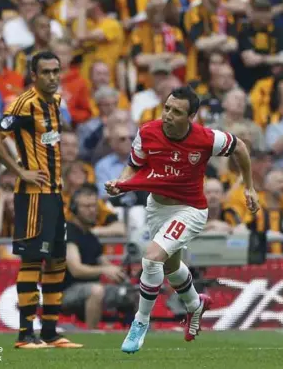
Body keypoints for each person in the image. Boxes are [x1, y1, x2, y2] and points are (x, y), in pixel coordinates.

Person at [105, 86, 259, 353]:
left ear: (191, 117)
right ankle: (195, 304)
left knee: (152, 257)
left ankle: (140, 322)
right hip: (157, 207)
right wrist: (122, 181)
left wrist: (249, 186)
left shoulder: (206, 138)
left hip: (190, 210)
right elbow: (134, 165)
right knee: (169, 268)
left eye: (176, 112)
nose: (168, 115)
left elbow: (240, 147)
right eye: (167, 108)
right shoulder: (147, 132)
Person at [0, 51, 82, 349]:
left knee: (56, 262)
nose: (53, 77)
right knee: (32, 260)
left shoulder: (55, 103)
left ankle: (50, 333)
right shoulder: (24, 104)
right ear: (34, 75)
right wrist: (20, 171)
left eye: (56, 71)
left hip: (54, 194)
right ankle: (26, 333)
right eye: (47, 72)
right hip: (33, 196)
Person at [64, 184, 133, 329]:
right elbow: (76, 269)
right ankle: (91, 337)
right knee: (96, 290)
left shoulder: (90, 236)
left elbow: (104, 263)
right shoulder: (69, 232)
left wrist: (119, 272)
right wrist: (104, 270)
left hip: (91, 287)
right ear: (75, 209)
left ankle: (134, 334)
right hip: (64, 292)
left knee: (130, 292)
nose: (92, 211)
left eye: (94, 206)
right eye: (86, 207)